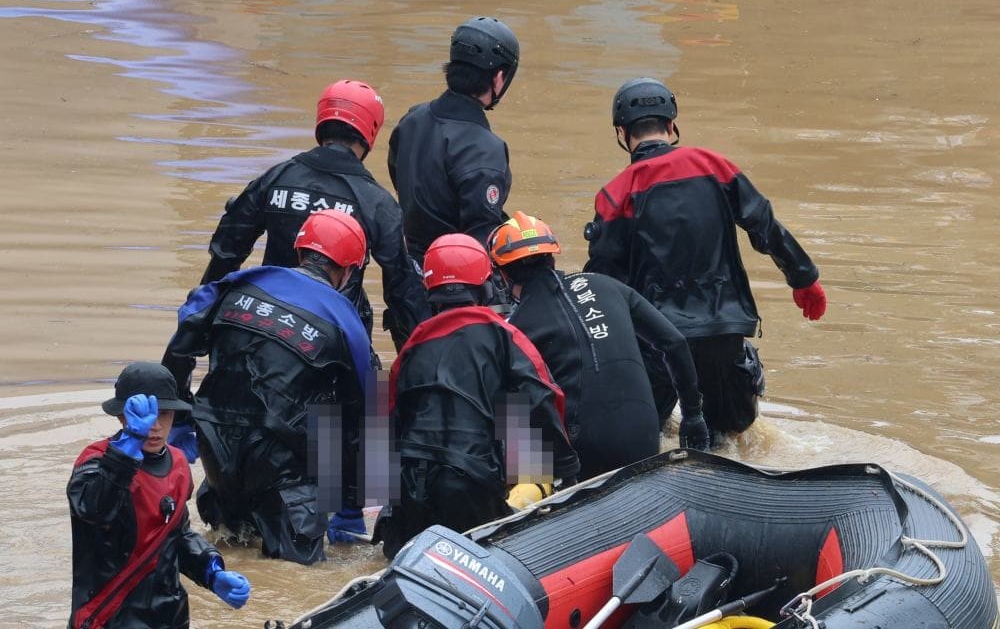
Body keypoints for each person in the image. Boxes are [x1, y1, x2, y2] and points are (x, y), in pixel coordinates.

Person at [584, 77, 827, 444]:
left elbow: (603, 278)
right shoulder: (715, 166)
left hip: (657, 339)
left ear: (622, 132)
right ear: (671, 125)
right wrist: (803, 277)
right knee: (732, 437)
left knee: (648, 434)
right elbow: (764, 226)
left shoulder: (615, 194)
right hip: (722, 329)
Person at [162, 209, 373, 565]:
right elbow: (370, 417)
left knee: (228, 553)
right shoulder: (345, 321)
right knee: (296, 578)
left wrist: (179, 418)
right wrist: (353, 503)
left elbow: (181, 342)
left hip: (216, 451)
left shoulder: (235, 284)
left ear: (299, 250)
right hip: (284, 473)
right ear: (349, 270)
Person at [374, 233, 579, 559]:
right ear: (485, 285)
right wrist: (568, 469)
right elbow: (543, 398)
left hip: (408, 488)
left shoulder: (412, 347)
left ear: (431, 289)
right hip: (467, 482)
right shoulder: (503, 334)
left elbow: (385, 421)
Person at [198, 79, 428, 349]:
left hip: (263, 320)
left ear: (321, 123)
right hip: (335, 336)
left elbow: (227, 250)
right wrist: (416, 360)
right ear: (370, 131)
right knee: (374, 387)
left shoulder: (277, 176)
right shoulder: (377, 202)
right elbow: (403, 291)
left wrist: (202, 329)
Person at [489, 212, 710, 479]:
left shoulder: (513, 330)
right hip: (645, 439)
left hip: (586, 457)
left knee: (510, 399)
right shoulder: (607, 285)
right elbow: (674, 343)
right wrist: (693, 416)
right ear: (553, 257)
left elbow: (515, 410)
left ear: (502, 276)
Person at [68, 362, 250, 628]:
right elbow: (96, 509)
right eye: (143, 416)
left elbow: (177, 535)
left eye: (163, 413)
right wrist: (129, 444)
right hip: (109, 616)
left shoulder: (177, 464)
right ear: (122, 416)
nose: (154, 426)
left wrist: (211, 571)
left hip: (170, 613)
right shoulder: (95, 462)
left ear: (174, 416)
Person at [387, 16, 519, 264]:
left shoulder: (411, 120)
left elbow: (399, 180)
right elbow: (481, 234)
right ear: (499, 78)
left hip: (406, 269)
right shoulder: (486, 149)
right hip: (452, 279)